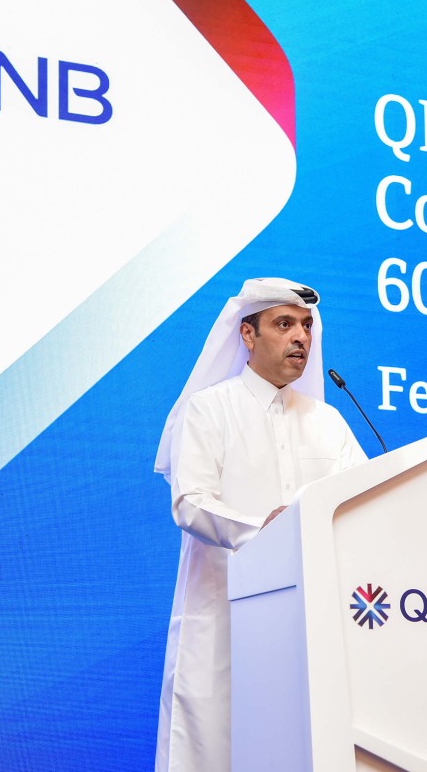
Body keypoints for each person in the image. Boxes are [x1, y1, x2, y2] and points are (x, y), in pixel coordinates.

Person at [152, 278, 367, 772]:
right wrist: (264, 531)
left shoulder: (328, 422)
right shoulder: (208, 409)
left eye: (306, 326)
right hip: (223, 622)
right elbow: (190, 503)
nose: (301, 337)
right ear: (247, 335)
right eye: (284, 324)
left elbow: (363, 501)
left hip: (307, 627)